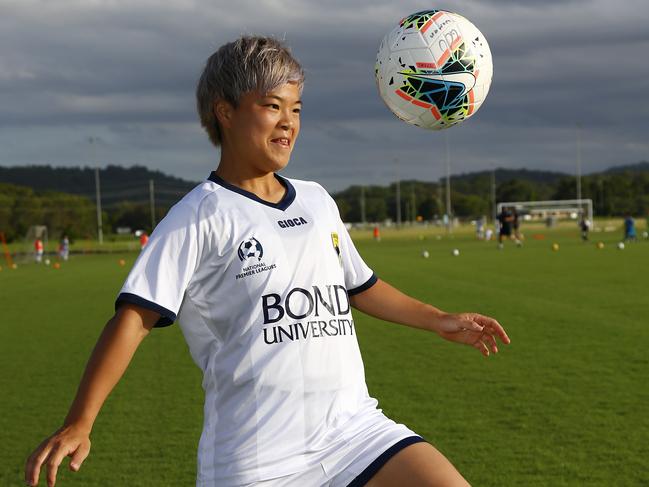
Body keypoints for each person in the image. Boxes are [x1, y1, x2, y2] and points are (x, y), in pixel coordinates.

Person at [25, 36, 510, 487]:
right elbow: (134, 317)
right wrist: (80, 421)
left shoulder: (317, 201)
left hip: (355, 432)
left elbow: (360, 287)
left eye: (295, 108)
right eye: (271, 106)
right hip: (259, 459)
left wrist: (440, 320)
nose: (288, 121)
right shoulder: (199, 215)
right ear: (226, 113)